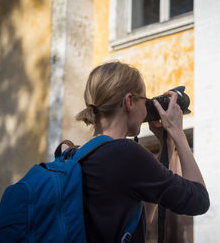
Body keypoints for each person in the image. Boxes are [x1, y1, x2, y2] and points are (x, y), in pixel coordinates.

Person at [76, 61, 209, 242]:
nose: (147, 109)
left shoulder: (79, 155)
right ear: (129, 101)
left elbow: (141, 219)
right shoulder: (125, 154)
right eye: (145, 100)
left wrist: (167, 146)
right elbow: (199, 200)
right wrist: (178, 134)